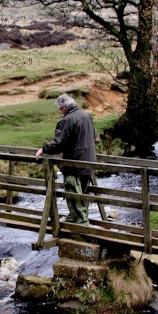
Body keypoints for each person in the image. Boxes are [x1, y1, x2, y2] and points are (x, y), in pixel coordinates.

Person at [35, 93, 97, 225]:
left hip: (74, 163)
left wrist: (44, 149)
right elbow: (93, 136)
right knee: (83, 193)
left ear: (63, 107)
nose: (60, 111)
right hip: (89, 161)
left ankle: (81, 222)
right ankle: (75, 216)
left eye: (60, 109)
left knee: (73, 193)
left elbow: (59, 143)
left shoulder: (67, 120)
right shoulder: (86, 116)